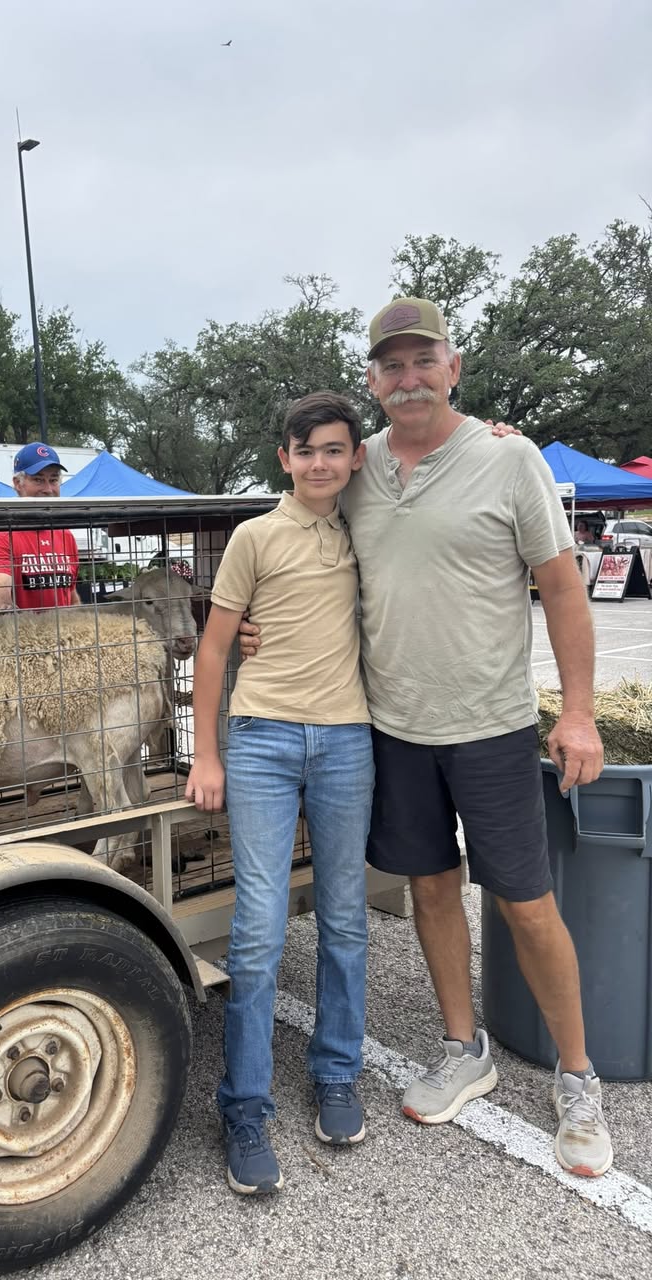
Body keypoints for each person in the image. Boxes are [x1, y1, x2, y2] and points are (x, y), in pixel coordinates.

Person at [240, 298, 612, 1179]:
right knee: (432, 893)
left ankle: (578, 1075)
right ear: (373, 380)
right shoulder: (354, 466)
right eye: (390, 365)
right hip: (391, 728)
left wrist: (579, 709)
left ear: (454, 368)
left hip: (488, 726)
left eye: (423, 361)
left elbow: (561, 589)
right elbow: (297, 555)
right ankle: (462, 1048)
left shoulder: (508, 457)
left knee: (525, 903)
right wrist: (259, 628)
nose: (407, 378)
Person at [186, 392, 374, 1195]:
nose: (322, 463)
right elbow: (214, 648)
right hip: (262, 739)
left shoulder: (371, 524)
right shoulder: (255, 536)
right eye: (308, 451)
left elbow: (436, 471)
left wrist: (498, 432)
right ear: (285, 458)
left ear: (355, 458)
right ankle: (245, 1106)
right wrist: (207, 754)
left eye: (336, 450)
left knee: (344, 919)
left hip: (346, 739)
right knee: (258, 931)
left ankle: (337, 1071)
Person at [0, 443, 81, 610]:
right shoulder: (3, 534)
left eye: (53, 480)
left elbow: (70, 594)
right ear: (18, 483)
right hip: (27, 633)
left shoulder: (65, 535)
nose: (48, 489)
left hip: (64, 632)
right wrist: (4, 610)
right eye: (38, 480)